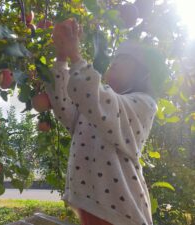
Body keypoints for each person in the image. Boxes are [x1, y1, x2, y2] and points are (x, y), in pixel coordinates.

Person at [44, 19, 167, 225]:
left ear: (143, 73)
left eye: (125, 59)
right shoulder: (93, 105)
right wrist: (62, 56)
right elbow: (63, 104)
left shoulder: (144, 105)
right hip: (92, 202)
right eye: (115, 58)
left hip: (120, 212)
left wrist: (75, 55)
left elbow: (99, 99)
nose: (116, 62)